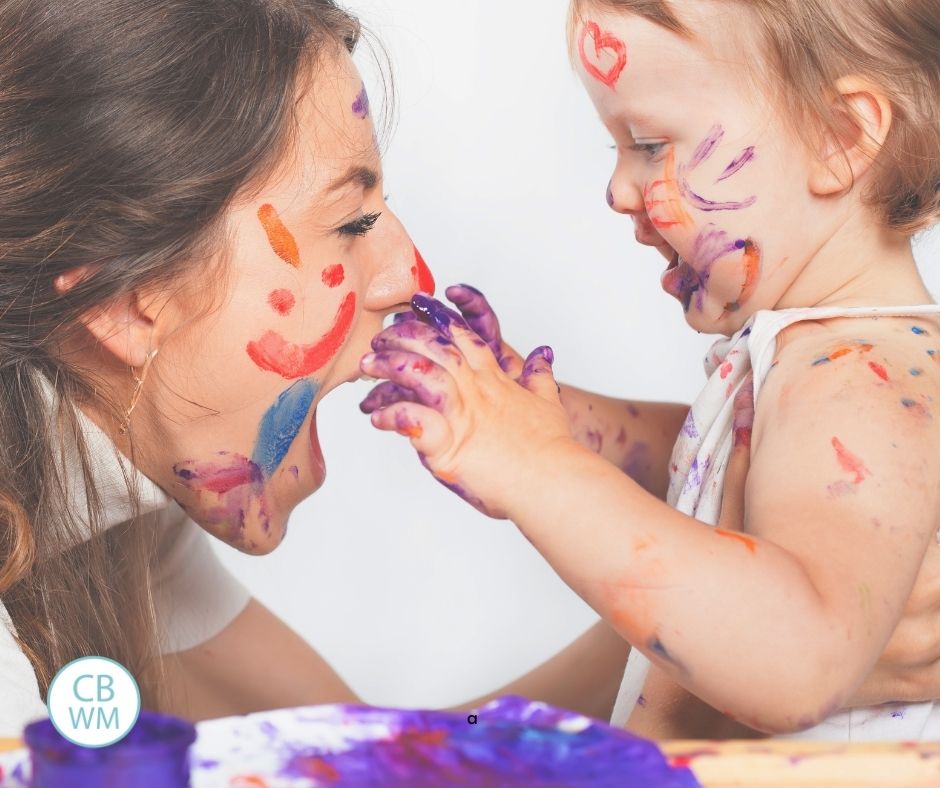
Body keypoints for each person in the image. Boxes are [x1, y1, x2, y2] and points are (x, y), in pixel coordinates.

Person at [359, 0, 940, 739]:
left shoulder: (857, 381)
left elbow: (798, 661)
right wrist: (552, 417)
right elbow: (725, 459)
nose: (618, 191)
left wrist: (534, 464)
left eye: (647, 142)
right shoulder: (822, 363)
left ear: (839, 138)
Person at [0, 0, 430, 736]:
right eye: (352, 222)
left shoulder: (109, 504)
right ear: (132, 306)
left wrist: (671, 549)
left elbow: (382, 767)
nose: (411, 277)